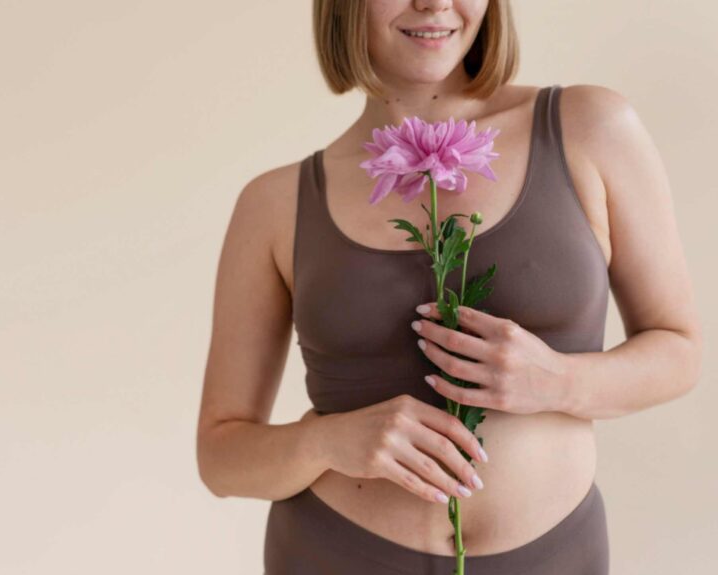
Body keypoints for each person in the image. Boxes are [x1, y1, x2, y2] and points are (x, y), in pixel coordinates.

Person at [196, 0, 703, 573]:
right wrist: (326, 442)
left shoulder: (590, 127)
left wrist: (557, 381)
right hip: (333, 554)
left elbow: (678, 350)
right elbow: (221, 456)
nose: (435, 2)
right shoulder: (274, 203)